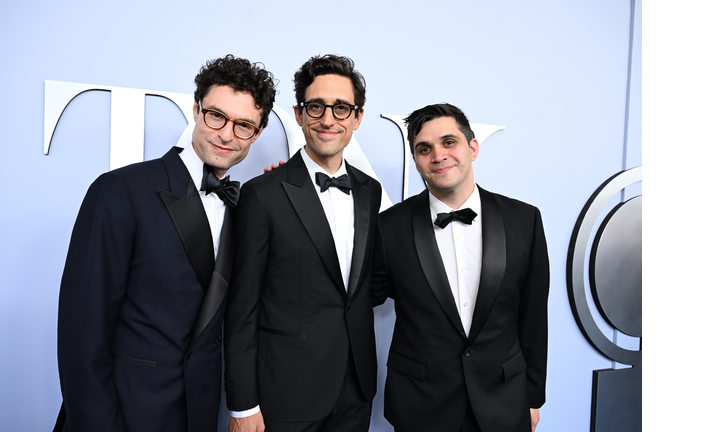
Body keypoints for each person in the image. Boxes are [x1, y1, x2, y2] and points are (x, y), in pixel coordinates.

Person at [54, 54, 277, 432]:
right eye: (216, 116)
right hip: (122, 414)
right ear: (195, 110)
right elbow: (81, 336)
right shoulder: (120, 190)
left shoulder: (249, 210)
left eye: (244, 126)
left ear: (257, 134)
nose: (226, 134)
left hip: (199, 415)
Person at [224, 54, 381, 432]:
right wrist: (242, 406)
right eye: (316, 107)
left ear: (357, 118)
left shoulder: (369, 191)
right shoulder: (262, 194)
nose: (328, 119)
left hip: (355, 389)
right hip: (285, 391)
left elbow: (362, 285)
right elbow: (242, 306)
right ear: (299, 114)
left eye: (341, 108)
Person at [371, 103, 550, 432]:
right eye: (424, 148)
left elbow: (534, 315)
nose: (438, 156)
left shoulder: (525, 220)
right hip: (421, 405)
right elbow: (355, 296)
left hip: (504, 400)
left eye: (448, 142)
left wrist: (533, 396)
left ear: (473, 147)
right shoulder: (388, 227)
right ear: (415, 160)